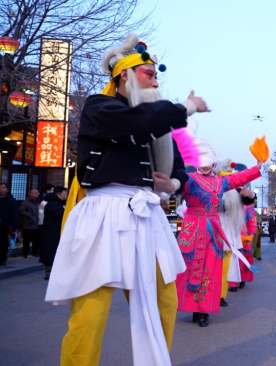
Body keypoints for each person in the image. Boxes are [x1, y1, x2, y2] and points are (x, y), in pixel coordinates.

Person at [44, 34, 208, 366]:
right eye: (150, 73)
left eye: (157, 75)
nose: (156, 80)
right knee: (91, 312)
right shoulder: (100, 106)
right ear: (125, 75)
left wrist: (173, 181)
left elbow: (177, 167)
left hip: (147, 214)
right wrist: (186, 108)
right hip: (103, 213)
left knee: (164, 301)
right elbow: (133, 123)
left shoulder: (155, 125)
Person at [176, 156, 261, 327]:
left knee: (210, 270)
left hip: (212, 231)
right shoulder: (188, 179)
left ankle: (203, 312)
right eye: (202, 161)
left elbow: (239, 178)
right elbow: (174, 185)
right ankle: (192, 307)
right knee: (190, 269)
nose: (206, 166)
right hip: (192, 229)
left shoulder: (221, 182)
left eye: (209, 162)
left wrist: (257, 167)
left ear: (213, 164)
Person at [39, 187, 67, 280]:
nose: (65, 196)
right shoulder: (52, 204)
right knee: (51, 252)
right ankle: (49, 272)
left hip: (55, 232)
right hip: (51, 233)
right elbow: (61, 215)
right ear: (58, 194)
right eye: (64, 194)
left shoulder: (57, 203)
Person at [0, 183, 18, 266]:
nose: (1, 189)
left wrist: (14, 227)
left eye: (3, 188)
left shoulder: (11, 200)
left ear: (7, 190)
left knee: (3, 242)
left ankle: (2, 259)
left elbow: (14, 214)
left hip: (5, 225)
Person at [19, 189, 40, 258]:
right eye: (35, 193)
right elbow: (22, 211)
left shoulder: (37, 201)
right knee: (27, 240)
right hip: (28, 224)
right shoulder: (25, 202)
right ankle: (25, 253)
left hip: (36, 223)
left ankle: (35, 252)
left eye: (37, 193)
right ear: (30, 194)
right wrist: (29, 215)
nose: (37, 194)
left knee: (36, 239)